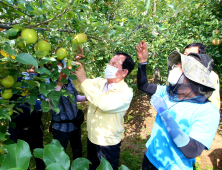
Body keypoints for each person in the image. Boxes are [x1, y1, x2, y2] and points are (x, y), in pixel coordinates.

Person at [136, 41, 220, 170]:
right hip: (150, 158)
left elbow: (192, 150)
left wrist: (165, 113)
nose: (175, 67)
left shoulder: (208, 111)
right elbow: (144, 85)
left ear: (194, 76)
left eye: (180, 66)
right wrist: (142, 61)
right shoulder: (170, 92)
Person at [71, 52, 135, 170]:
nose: (109, 65)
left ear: (124, 72)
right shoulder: (100, 82)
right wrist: (76, 68)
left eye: (114, 64)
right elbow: (81, 86)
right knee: (92, 166)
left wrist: (84, 79)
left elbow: (104, 103)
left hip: (108, 143)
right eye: (110, 62)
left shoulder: (126, 93)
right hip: (92, 137)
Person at [47, 59, 86, 161]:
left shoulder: (68, 80)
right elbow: (50, 106)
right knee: (58, 155)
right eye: (51, 66)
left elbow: (74, 97)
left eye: (58, 64)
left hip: (74, 125)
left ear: (62, 64)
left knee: (77, 151)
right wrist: (59, 84)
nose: (55, 67)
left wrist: (85, 97)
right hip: (60, 128)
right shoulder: (48, 85)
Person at [8, 70, 45, 170]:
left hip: (34, 127)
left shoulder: (38, 81)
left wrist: (29, 97)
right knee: (20, 159)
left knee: (39, 156)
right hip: (17, 129)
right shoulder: (13, 81)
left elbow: (42, 106)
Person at [184, 43, 220, 110]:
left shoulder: (210, 75)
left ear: (200, 57)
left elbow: (214, 101)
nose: (187, 58)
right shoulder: (181, 72)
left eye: (191, 55)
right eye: (185, 54)